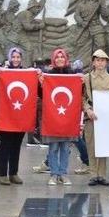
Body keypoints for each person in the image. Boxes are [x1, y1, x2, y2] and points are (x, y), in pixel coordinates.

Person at [41, 48, 78, 185]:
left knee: (65, 148)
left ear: (66, 59)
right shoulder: (49, 74)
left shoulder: (72, 74)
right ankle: (54, 174)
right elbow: (41, 94)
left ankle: (63, 174)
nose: (60, 59)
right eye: (57, 57)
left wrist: (81, 80)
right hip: (53, 117)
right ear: (54, 59)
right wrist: (41, 82)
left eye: (62, 57)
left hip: (67, 117)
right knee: (53, 148)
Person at [84, 49, 109, 186]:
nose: (100, 63)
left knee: (103, 146)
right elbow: (82, 97)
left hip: (105, 117)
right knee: (91, 146)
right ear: (93, 62)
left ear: (107, 63)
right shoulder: (87, 78)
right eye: (98, 60)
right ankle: (93, 174)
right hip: (91, 116)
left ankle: (102, 175)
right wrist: (88, 110)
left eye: (103, 60)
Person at [0, 47, 27, 185]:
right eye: (13, 57)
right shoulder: (4, 71)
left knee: (17, 145)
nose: (16, 59)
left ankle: (14, 173)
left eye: (18, 57)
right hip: (6, 114)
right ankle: (2, 174)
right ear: (9, 58)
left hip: (21, 115)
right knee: (5, 144)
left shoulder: (26, 72)